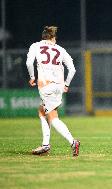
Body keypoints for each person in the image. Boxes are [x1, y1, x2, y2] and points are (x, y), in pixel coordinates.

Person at [26, 26, 80, 156]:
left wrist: (32, 77)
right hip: (58, 86)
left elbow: (29, 63)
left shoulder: (35, 46)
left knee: (52, 116)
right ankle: (45, 145)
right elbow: (72, 69)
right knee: (41, 111)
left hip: (46, 86)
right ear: (53, 38)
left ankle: (73, 142)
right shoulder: (60, 49)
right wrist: (66, 84)